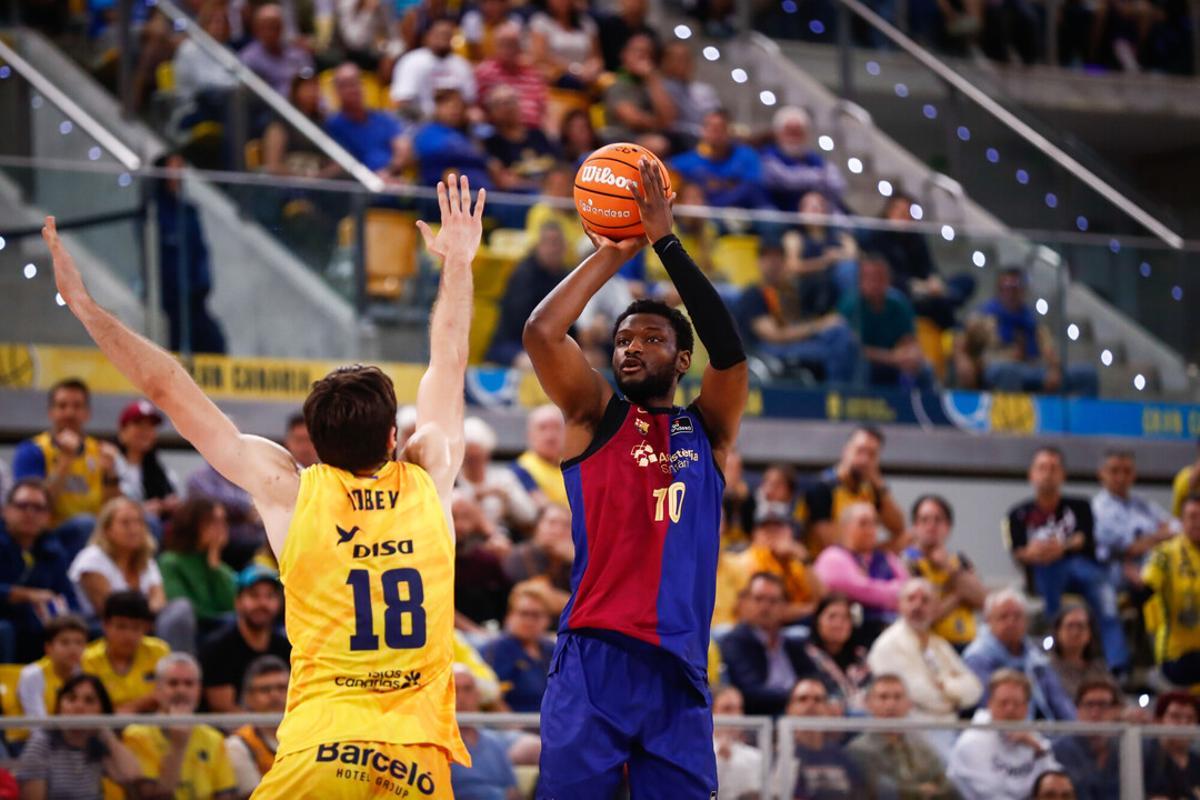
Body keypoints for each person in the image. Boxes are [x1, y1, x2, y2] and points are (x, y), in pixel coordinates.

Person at [42, 173, 486, 794]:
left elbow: (168, 388)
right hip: (414, 760)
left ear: (310, 444)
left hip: (319, 749)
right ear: (393, 437)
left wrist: (88, 309)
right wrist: (458, 263)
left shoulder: (289, 490)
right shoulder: (430, 471)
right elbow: (449, 357)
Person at [522, 156, 748, 797]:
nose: (629, 347)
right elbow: (542, 331)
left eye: (649, 338)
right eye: (622, 339)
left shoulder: (708, 430)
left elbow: (729, 352)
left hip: (679, 667)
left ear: (680, 359)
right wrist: (613, 253)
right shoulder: (593, 416)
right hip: (596, 657)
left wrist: (665, 240)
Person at [1006, 447, 1128, 672]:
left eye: (1054, 468)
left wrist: (1059, 547)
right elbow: (1018, 551)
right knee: (1051, 582)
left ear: (1063, 475)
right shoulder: (1018, 513)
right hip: (1044, 570)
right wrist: (1036, 552)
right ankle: (1057, 658)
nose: (1048, 473)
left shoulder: (1080, 506)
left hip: (1082, 567)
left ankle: (1117, 667)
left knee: (1107, 602)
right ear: (1031, 474)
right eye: (1042, 468)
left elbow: (1084, 538)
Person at [11, 378, 118, 546]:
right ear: (51, 412)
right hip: (49, 535)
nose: (69, 413)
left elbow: (113, 510)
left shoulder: (100, 450)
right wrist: (66, 460)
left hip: (96, 534)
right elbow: (33, 510)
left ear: (87, 413)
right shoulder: (32, 450)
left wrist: (111, 475)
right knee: (85, 524)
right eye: (62, 406)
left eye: (77, 406)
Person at [735, 242, 859, 384]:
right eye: (768, 259)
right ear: (759, 262)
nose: (773, 264)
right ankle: (838, 392)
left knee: (839, 333)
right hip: (767, 349)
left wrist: (827, 325)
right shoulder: (753, 294)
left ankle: (846, 394)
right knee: (831, 351)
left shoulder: (788, 292)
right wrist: (819, 325)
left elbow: (799, 322)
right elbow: (775, 335)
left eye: (778, 259)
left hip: (794, 343)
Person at [866, 579, 982, 729]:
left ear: (935, 608)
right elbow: (922, 695)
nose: (917, 605)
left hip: (949, 725)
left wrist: (945, 685)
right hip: (912, 727)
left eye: (925, 600)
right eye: (911, 599)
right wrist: (953, 694)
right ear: (900, 605)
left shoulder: (939, 644)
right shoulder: (889, 644)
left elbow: (974, 689)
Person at [123, 653, 238, 799]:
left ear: (199, 691)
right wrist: (178, 745)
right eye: (173, 683)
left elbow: (226, 795)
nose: (181, 690)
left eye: (189, 684)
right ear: (157, 690)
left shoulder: (214, 738)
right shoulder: (136, 735)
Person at [13, 674, 141, 799]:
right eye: (71, 699)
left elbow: (131, 775)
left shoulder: (98, 743)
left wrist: (106, 732)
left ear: (101, 711)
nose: (78, 707)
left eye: (89, 701)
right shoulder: (42, 744)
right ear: (59, 706)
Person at [972, 268, 1097, 395]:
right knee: (1008, 371)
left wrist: (1054, 369)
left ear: (1023, 290)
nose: (1011, 293)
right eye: (1006, 287)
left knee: (1087, 374)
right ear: (999, 290)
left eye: (1015, 288)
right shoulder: (984, 318)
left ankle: (1081, 414)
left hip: (1032, 369)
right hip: (999, 369)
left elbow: (1049, 352)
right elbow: (971, 351)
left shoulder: (1032, 322)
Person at [862, 192, 975, 331]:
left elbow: (928, 266)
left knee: (965, 281)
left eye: (906, 213)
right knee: (939, 303)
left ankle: (950, 301)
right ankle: (955, 326)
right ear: (888, 211)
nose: (902, 217)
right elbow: (887, 277)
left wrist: (934, 279)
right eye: (899, 211)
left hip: (926, 289)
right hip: (904, 293)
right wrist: (920, 286)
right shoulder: (877, 237)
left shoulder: (915, 237)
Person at [947, 669, 1062, 800]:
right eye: (1004, 703)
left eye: (1016, 703)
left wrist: (1038, 749)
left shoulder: (1033, 738)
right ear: (990, 704)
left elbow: (1058, 784)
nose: (1010, 709)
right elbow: (990, 793)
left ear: (1026, 708)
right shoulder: (971, 742)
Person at [962, 589, 1076, 720]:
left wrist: (1077, 730)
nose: (1011, 622)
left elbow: (1059, 701)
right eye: (1003, 617)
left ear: (1027, 621)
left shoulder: (1035, 656)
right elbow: (990, 706)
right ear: (989, 621)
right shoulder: (977, 657)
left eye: (1017, 616)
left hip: (1045, 732)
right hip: (1000, 732)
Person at [155, 152, 228, 355]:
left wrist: (200, 283)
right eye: (173, 167)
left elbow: (200, 250)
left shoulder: (187, 212)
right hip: (170, 294)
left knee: (211, 340)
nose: (178, 173)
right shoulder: (155, 212)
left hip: (193, 293)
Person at [0, 479, 79, 662]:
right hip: (5, 620)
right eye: (22, 506)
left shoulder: (52, 550)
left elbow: (68, 596)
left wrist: (67, 617)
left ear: (48, 517)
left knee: (80, 631)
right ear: (6, 511)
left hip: (37, 623)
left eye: (38, 508)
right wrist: (25, 595)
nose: (30, 513)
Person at [719, 573, 820, 716]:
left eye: (773, 601)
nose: (765, 607)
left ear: (785, 606)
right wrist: (798, 698)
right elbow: (750, 692)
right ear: (744, 603)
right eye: (758, 599)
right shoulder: (736, 641)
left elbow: (815, 678)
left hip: (803, 715)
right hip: (763, 722)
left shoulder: (793, 644)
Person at [847, 674, 958, 800]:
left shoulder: (921, 745)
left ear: (909, 704)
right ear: (869, 703)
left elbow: (947, 787)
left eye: (898, 697)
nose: (891, 704)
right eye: (883, 697)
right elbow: (882, 791)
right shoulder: (859, 750)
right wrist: (921, 792)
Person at [199, 564, 291, 712]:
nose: (262, 603)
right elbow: (223, 708)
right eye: (254, 595)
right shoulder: (218, 648)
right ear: (238, 601)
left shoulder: (287, 647)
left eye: (270, 596)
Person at [813, 502, 908, 643]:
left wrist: (870, 587)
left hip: (893, 631)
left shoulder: (888, 558)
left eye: (874, 524)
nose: (870, 529)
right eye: (863, 523)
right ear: (844, 527)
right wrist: (893, 591)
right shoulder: (832, 556)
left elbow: (908, 591)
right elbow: (858, 589)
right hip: (852, 636)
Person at [802, 426, 906, 554]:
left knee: (907, 539)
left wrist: (880, 484)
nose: (864, 460)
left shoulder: (872, 488)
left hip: (861, 557)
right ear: (846, 451)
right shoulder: (822, 487)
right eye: (860, 451)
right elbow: (831, 545)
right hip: (829, 564)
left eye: (872, 454)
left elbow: (898, 528)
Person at [838, 254, 932, 389]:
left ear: (888, 279)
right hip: (865, 362)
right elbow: (852, 349)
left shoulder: (898, 303)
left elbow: (908, 339)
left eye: (879, 278)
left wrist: (909, 354)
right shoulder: (851, 304)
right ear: (860, 280)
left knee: (924, 367)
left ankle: (918, 407)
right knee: (859, 365)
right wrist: (891, 358)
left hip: (895, 359)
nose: (874, 283)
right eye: (869, 278)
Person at [906, 493, 986, 650]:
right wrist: (959, 595)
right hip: (930, 646)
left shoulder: (959, 560)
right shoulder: (908, 562)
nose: (931, 526)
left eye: (938, 520)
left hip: (969, 645)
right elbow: (927, 615)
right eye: (924, 520)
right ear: (915, 527)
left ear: (948, 526)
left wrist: (949, 569)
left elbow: (984, 601)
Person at [68, 496, 166, 623]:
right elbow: (110, 608)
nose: (134, 529)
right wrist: (147, 611)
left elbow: (159, 599)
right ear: (107, 529)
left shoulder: (145, 559)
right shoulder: (92, 559)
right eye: (125, 523)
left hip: (141, 623)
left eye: (139, 522)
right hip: (100, 626)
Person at [1091, 449, 1177, 591]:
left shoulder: (1142, 504)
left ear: (1134, 474)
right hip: (1115, 571)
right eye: (1114, 471)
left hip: (1152, 567)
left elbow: (1177, 527)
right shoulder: (1098, 508)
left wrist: (1146, 539)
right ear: (1101, 473)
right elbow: (1131, 548)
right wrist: (1160, 535)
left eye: (1127, 471)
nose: (1121, 477)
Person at [487, 224, 572, 366]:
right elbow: (521, 321)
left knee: (589, 360)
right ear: (538, 247)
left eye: (557, 243)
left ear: (564, 248)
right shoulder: (524, 274)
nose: (553, 249)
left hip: (554, 343)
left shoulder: (567, 276)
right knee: (532, 363)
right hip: (514, 342)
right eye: (548, 243)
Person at [772, 678, 871, 799]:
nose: (810, 704)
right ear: (789, 709)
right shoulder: (781, 756)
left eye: (818, 700)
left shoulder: (841, 756)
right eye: (802, 699)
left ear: (826, 709)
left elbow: (860, 794)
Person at [1142, 493, 1200, 688]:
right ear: (1182, 521)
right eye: (1192, 517)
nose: (1197, 523)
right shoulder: (1165, 553)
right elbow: (1146, 589)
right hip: (1176, 655)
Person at [82, 590, 171, 713]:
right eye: (121, 627)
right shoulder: (87, 658)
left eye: (136, 627)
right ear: (105, 625)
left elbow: (168, 693)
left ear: (146, 628)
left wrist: (131, 708)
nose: (128, 635)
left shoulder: (159, 651)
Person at [158, 497, 236, 636]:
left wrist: (214, 563)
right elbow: (182, 608)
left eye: (224, 521)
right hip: (194, 630)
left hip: (221, 629)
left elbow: (232, 605)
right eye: (214, 521)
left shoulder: (219, 566)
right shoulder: (170, 562)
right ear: (194, 523)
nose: (221, 527)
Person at [670, 110, 771, 210]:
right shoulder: (687, 161)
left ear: (729, 131)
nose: (715, 134)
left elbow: (753, 187)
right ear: (703, 131)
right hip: (705, 217)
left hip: (743, 212)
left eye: (720, 128)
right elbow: (671, 174)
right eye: (710, 128)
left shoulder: (746, 156)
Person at [735, 504, 820, 623]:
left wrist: (804, 557)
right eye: (766, 529)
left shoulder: (797, 563)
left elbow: (823, 600)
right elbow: (766, 611)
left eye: (778, 528)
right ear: (754, 534)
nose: (772, 534)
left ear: (791, 532)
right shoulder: (745, 561)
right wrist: (812, 609)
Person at [324, 62, 409, 180]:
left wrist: (389, 172)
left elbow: (403, 148)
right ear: (336, 90)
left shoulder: (382, 118)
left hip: (391, 180)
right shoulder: (332, 125)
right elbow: (338, 165)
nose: (352, 89)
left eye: (355, 83)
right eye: (345, 85)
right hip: (355, 188)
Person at [456, 417, 538, 536]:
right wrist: (475, 496)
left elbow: (529, 516)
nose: (473, 462)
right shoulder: (454, 481)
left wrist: (507, 495)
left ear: (487, 454)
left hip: (503, 539)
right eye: (469, 457)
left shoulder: (504, 478)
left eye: (478, 456)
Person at [482, 583, 555, 712]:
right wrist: (515, 728)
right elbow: (493, 699)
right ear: (510, 616)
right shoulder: (497, 649)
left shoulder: (551, 650)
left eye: (536, 615)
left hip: (550, 723)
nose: (529, 621)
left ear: (547, 620)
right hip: (513, 725)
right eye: (523, 614)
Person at [449, 665, 520, 800]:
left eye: (467, 689)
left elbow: (514, 792)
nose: (461, 697)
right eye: (453, 689)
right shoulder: (437, 747)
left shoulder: (494, 743)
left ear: (477, 695)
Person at [759, 105, 846, 212]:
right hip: (780, 215)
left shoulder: (815, 159)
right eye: (789, 132)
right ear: (778, 134)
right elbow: (785, 180)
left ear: (807, 134)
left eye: (798, 133)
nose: (794, 137)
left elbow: (837, 184)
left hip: (813, 219)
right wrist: (819, 177)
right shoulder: (768, 156)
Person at [225, 655, 290, 796]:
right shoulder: (239, 744)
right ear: (248, 697)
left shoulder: (311, 734)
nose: (274, 695)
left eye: (282, 688)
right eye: (265, 690)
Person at [390, 18, 477, 117]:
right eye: (439, 34)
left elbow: (469, 101)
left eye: (447, 34)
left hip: (454, 121)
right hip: (420, 121)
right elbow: (402, 102)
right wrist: (431, 117)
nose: (443, 38)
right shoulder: (412, 61)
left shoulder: (462, 65)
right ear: (428, 36)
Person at [1052, 679, 1122, 800]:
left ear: (1116, 711)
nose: (1095, 713)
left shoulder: (1127, 748)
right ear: (1077, 710)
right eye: (1089, 705)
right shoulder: (1059, 750)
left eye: (1103, 705)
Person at [412, 87, 493, 190]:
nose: (454, 111)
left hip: (483, 191)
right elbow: (436, 153)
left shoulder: (468, 133)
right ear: (437, 108)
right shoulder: (429, 132)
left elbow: (484, 153)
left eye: (458, 107)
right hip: (441, 192)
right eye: (449, 106)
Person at [114, 399, 182, 522]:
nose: (145, 431)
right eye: (139, 424)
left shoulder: (163, 471)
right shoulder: (111, 463)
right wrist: (141, 510)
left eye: (150, 426)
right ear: (122, 431)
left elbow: (174, 498)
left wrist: (170, 505)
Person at [602, 33, 677, 143]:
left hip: (650, 137)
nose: (641, 56)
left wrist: (652, 79)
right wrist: (659, 123)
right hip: (620, 139)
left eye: (647, 53)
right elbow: (633, 120)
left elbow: (669, 119)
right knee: (658, 144)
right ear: (624, 54)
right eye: (636, 51)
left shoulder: (652, 84)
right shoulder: (616, 84)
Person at [474, 21, 549, 131]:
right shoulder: (485, 72)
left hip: (532, 132)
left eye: (512, 44)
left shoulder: (532, 74)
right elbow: (477, 108)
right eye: (503, 44)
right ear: (495, 47)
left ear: (520, 47)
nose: (507, 50)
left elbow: (544, 111)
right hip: (500, 132)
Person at [802, 594, 871, 711]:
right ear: (818, 621)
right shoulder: (807, 656)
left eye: (845, 618)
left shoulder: (861, 656)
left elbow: (870, 691)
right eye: (832, 617)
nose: (838, 623)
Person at [484, 84, 559, 192]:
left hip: (553, 194)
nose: (509, 108)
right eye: (501, 104)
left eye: (512, 101)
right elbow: (505, 182)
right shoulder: (491, 144)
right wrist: (541, 185)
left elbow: (560, 169)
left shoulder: (538, 134)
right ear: (491, 111)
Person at [502, 504, 573, 617]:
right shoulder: (520, 555)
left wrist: (574, 559)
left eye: (566, 525)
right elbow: (539, 598)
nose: (558, 530)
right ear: (537, 526)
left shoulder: (575, 560)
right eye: (552, 523)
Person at [16, 613, 87, 719]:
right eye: (65, 642)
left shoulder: (85, 673)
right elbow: (38, 725)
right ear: (48, 648)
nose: (73, 649)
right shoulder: (32, 675)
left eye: (79, 642)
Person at [238, 3, 314, 96]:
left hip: (298, 106)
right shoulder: (248, 58)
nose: (271, 32)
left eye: (275, 26)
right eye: (266, 27)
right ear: (256, 29)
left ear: (282, 27)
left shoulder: (298, 54)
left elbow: (309, 82)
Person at [527, 0, 603, 89]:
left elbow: (596, 57)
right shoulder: (541, 21)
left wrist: (592, 68)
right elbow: (540, 56)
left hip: (587, 78)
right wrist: (574, 69)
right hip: (556, 79)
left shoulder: (586, 23)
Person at [658, 41, 720, 146]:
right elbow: (667, 122)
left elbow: (716, 117)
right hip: (676, 140)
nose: (683, 63)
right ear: (664, 61)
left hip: (706, 138)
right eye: (677, 58)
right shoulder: (659, 87)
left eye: (686, 58)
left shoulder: (705, 90)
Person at [1047, 604, 1113, 703]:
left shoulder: (1099, 669)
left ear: (1090, 633)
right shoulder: (1046, 669)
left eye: (1081, 626)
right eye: (1070, 626)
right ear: (1057, 632)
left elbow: (1117, 701)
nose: (1075, 632)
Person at [1143, 692, 1200, 799]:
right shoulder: (1144, 757)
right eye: (1175, 716)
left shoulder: (1197, 762)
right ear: (1158, 721)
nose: (1183, 724)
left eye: (1190, 718)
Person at [510, 404, 569, 508]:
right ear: (529, 434)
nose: (550, 436)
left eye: (556, 427)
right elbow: (546, 510)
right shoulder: (520, 470)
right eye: (542, 428)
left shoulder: (573, 467)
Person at [711, 686, 764, 800]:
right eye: (727, 709)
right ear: (711, 712)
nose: (735, 715)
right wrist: (721, 762)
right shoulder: (700, 753)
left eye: (739, 708)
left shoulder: (755, 757)